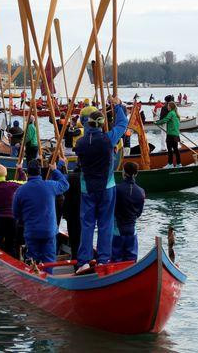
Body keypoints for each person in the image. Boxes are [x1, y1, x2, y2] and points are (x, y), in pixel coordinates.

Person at [72, 97, 128, 273]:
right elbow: (122, 124)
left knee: (87, 225)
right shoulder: (108, 139)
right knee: (105, 224)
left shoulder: (80, 143)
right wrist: (118, 106)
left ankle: (84, 261)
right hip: (106, 187)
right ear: (102, 124)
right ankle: (103, 260)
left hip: (87, 188)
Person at [12, 159, 69, 263]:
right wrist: (55, 170)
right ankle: (48, 276)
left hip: (32, 231)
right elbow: (65, 184)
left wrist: (24, 220)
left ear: (28, 173)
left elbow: (16, 214)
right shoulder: (50, 185)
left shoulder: (20, 190)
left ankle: (35, 273)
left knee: (32, 261)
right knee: (49, 262)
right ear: (40, 172)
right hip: (49, 231)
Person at [112, 162, 146, 262]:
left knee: (116, 260)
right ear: (136, 173)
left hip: (117, 229)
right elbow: (139, 213)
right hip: (132, 230)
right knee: (131, 261)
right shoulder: (141, 191)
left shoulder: (116, 189)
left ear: (123, 172)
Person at [155, 101, 181, 167]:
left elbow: (165, 120)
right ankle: (178, 164)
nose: (167, 107)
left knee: (169, 150)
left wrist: (157, 122)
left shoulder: (171, 113)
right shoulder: (176, 114)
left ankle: (170, 164)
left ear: (171, 107)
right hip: (176, 134)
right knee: (176, 149)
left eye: (168, 106)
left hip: (171, 135)